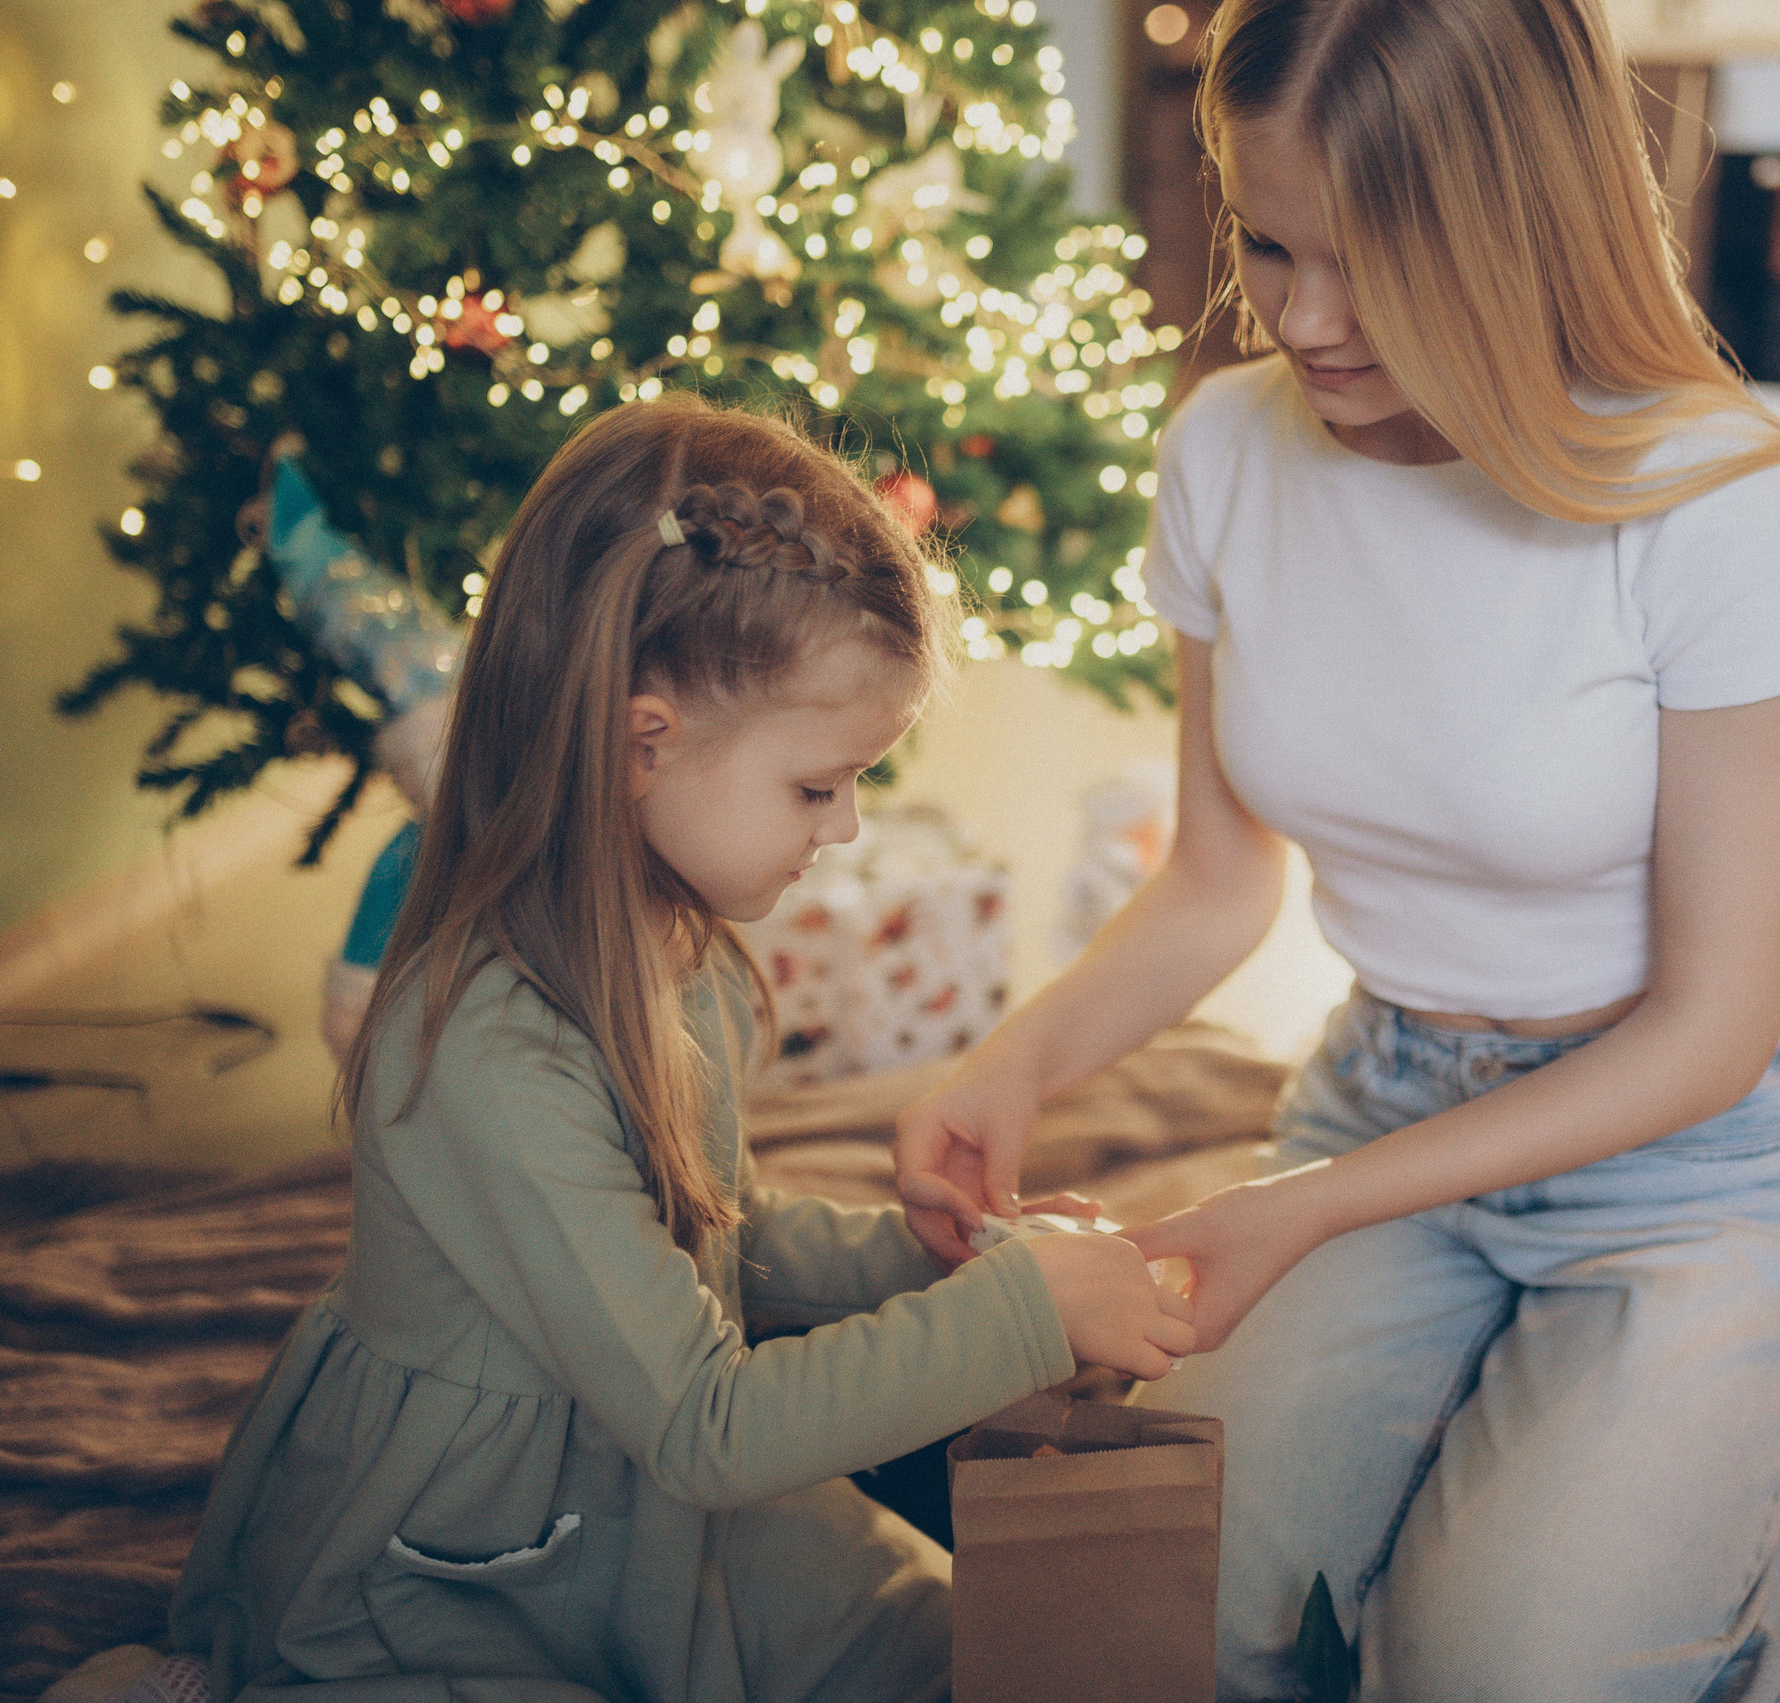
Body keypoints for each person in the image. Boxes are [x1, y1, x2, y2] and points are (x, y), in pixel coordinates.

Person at [890, 1, 1780, 1698]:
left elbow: (1713, 1032)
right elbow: (1218, 878)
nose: (1301, 317)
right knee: (1160, 1620)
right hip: (1386, 1099)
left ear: (1524, 231)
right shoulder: (1225, 446)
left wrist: (1303, 1212)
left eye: (1374, 262)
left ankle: (1716, 1517)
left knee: (1495, 1671)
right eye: (1266, 244)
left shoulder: (1718, 497)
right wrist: (1012, 1059)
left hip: (1682, 1175)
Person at [171, 395, 1193, 1703]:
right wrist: (1022, 1317)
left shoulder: (681, 937)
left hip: (654, 1484)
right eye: (818, 787)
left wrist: (932, 1261)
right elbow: (710, 1428)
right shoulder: (483, 1046)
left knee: (975, 1649)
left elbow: (719, 1236)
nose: (848, 830)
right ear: (644, 742)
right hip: (456, 1558)